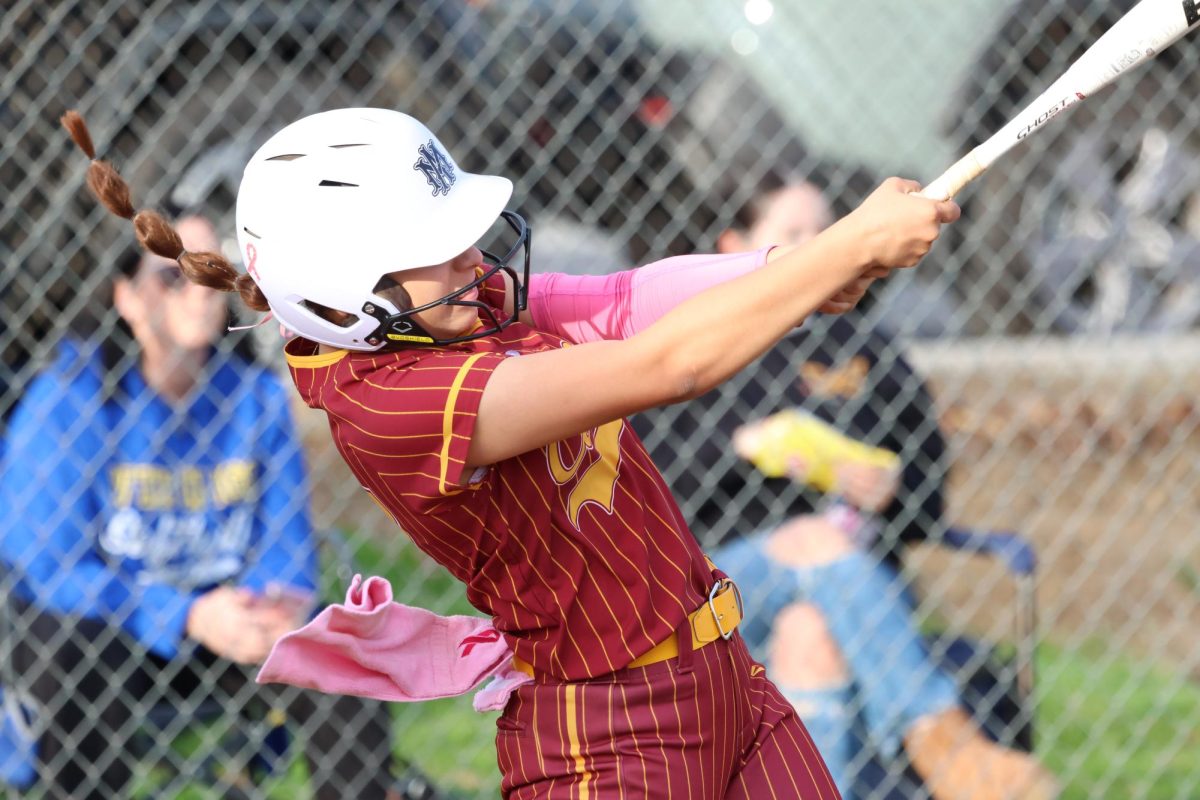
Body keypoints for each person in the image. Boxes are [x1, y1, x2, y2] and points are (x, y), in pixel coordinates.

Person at [62, 106, 959, 800]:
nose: (473, 261)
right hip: (613, 740)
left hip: (728, 683)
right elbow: (666, 363)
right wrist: (841, 245)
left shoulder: (443, 306)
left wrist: (789, 274)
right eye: (433, 252)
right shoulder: (392, 404)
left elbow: (619, 300)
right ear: (341, 299)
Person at [639, 177, 1058, 800]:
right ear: (736, 245)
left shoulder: (873, 354)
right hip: (712, 596)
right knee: (810, 536)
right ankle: (942, 741)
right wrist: (740, 446)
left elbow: (928, 498)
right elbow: (643, 492)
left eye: (825, 233)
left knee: (811, 632)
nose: (814, 249)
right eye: (791, 235)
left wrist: (893, 490)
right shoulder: (699, 340)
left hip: (855, 598)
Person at [0, 214, 400, 799]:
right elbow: (48, 570)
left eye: (210, 272)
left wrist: (271, 608)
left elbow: (285, 552)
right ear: (127, 299)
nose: (197, 291)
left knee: (339, 649)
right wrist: (183, 614)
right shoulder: (72, 395)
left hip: (229, 626)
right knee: (76, 650)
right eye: (171, 277)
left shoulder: (254, 396)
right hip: (112, 628)